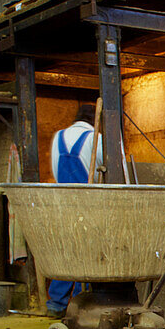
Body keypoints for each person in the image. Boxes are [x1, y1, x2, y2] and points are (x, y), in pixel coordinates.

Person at [47, 104, 101, 317]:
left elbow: (54, 169)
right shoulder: (96, 138)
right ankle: (81, 301)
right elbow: (113, 170)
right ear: (94, 121)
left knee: (66, 251)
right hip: (88, 203)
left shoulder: (58, 137)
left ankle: (56, 303)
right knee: (86, 252)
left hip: (62, 203)